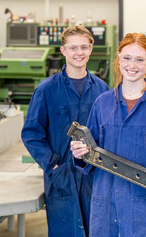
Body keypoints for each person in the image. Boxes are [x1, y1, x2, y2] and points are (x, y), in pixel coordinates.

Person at [70, 33, 146, 237]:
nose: (132, 65)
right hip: (107, 204)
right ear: (118, 58)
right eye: (126, 58)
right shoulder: (102, 103)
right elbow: (89, 156)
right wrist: (79, 154)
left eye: (140, 59)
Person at [21, 25, 109, 237]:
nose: (79, 52)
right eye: (73, 47)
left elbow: (108, 132)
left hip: (94, 174)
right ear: (63, 51)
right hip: (62, 175)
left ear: (91, 49)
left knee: (96, 229)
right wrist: (53, 164)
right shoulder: (46, 89)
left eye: (84, 47)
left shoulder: (102, 89)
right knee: (65, 229)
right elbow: (32, 133)